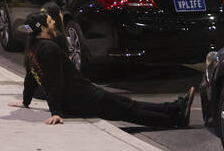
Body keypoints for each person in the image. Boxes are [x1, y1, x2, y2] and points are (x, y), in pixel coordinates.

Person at [13, 11, 193, 127]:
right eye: (50, 21)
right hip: (83, 98)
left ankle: (175, 109)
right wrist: (56, 112)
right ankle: (176, 118)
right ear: (43, 28)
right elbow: (53, 82)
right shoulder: (48, 48)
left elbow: (31, 77)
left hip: (81, 96)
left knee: (127, 106)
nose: (54, 22)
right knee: (129, 110)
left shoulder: (32, 50)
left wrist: (25, 102)